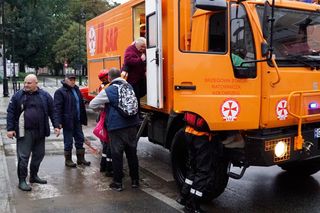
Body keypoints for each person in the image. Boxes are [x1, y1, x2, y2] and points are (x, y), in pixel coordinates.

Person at [89, 68, 140, 192]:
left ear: (110, 78)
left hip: (117, 127)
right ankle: (135, 181)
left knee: (117, 154)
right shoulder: (129, 87)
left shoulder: (110, 89)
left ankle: (118, 183)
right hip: (132, 124)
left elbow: (92, 104)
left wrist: (104, 106)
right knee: (132, 153)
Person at [6, 74, 60, 191]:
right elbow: (11, 112)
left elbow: (53, 111)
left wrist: (56, 125)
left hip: (40, 130)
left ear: (36, 83)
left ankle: (34, 176)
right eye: (25, 82)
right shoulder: (18, 96)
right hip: (24, 131)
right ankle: (22, 180)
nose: (26, 85)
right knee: (23, 157)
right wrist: (10, 129)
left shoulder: (45, 95)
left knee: (39, 155)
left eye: (29, 83)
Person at [176, 112, 212, 213]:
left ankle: (184, 196)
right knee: (203, 171)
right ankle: (192, 205)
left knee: (193, 168)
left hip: (189, 131)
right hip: (201, 136)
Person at [54, 73, 90, 168]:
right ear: (65, 79)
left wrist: (83, 118)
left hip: (77, 120)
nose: (73, 81)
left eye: (74, 79)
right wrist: (58, 123)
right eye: (71, 79)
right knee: (68, 141)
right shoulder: (60, 92)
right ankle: (68, 160)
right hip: (68, 121)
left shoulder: (76, 90)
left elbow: (81, 105)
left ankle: (81, 159)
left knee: (80, 139)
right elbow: (57, 109)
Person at [122, 37, 147, 113]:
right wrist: (140, 60)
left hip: (139, 78)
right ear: (136, 44)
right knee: (136, 97)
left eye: (144, 46)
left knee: (142, 92)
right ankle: (136, 114)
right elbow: (127, 61)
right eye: (141, 46)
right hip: (132, 80)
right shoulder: (130, 49)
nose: (143, 48)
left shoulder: (140, 50)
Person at [97, 69, 113, 177]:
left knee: (106, 144)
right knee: (110, 144)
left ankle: (103, 165)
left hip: (104, 117)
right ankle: (109, 168)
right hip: (107, 117)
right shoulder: (107, 88)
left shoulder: (102, 87)